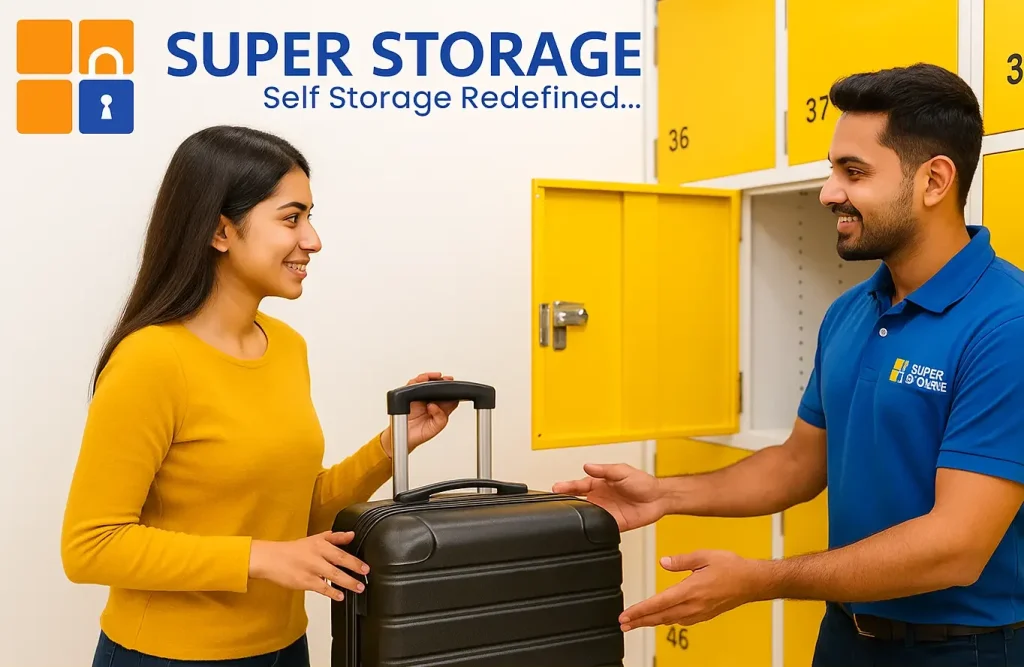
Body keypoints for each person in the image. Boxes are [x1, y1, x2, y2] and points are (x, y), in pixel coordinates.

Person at [554, 62, 1024, 666]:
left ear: (934, 180)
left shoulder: (1005, 323)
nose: (829, 192)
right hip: (844, 640)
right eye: (834, 169)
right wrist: (662, 494)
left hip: (965, 651)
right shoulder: (850, 312)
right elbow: (801, 463)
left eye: (853, 172)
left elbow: (955, 546)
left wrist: (764, 579)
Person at [60, 125, 459, 666]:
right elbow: (91, 545)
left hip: (283, 648)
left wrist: (395, 444)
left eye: (310, 217)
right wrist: (259, 558)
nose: (312, 240)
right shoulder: (152, 360)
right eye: (291, 218)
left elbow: (292, 513)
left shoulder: (287, 347)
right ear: (221, 231)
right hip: (169, 656)